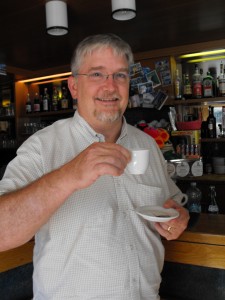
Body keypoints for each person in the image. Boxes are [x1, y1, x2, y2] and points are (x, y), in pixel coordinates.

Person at [0, 33, 189, 299]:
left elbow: (171, 204)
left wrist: (179, 218)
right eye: (97, 75)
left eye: (120, 75)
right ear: (74, 86)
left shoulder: (147, 145)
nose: (110, 87)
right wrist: (70, 175)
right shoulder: (42, 147)